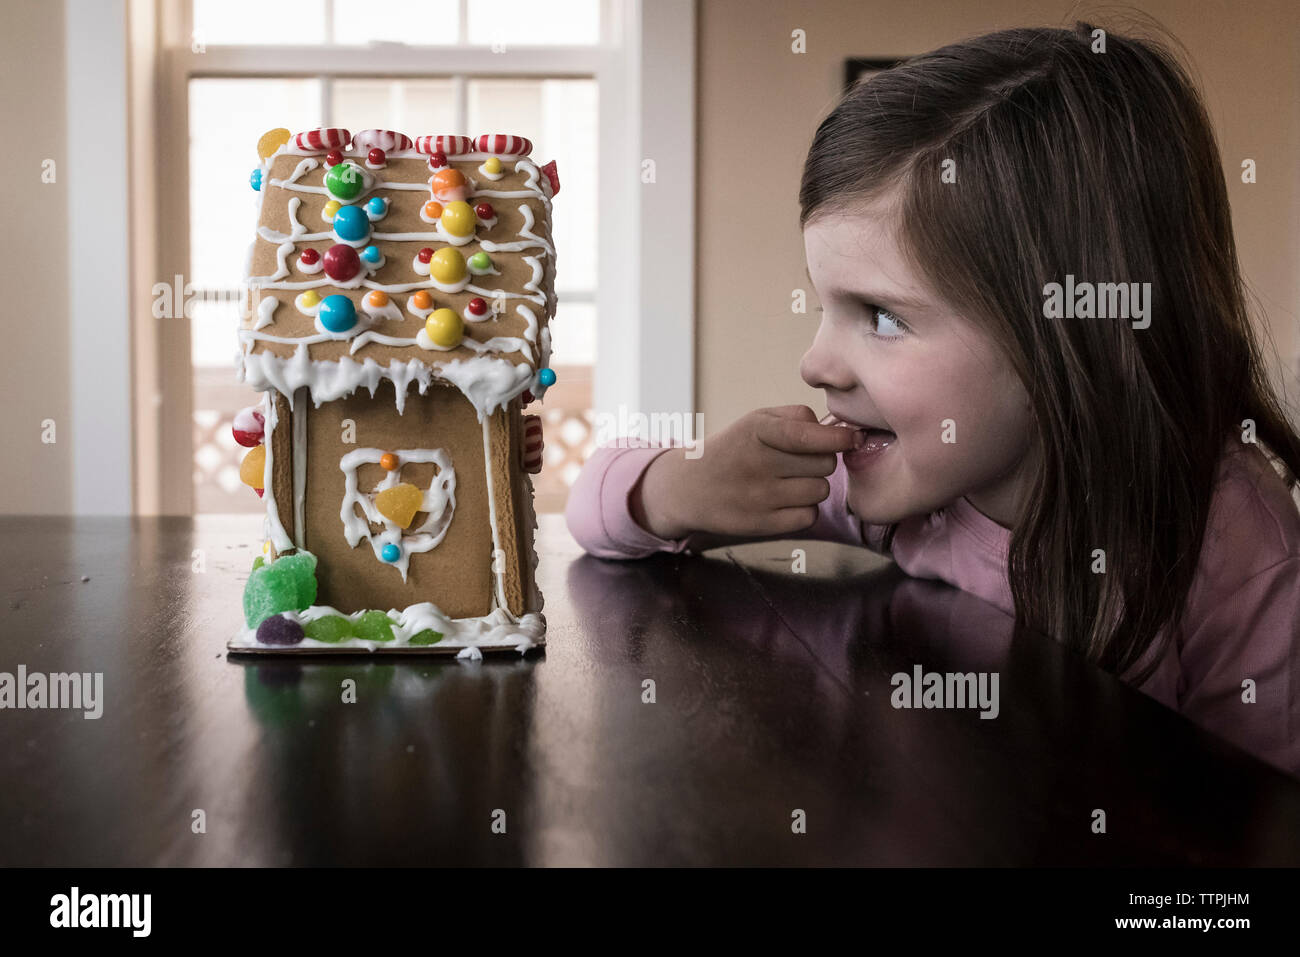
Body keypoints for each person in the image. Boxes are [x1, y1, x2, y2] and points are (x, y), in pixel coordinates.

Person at [565, 21, 1300, 776]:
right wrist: (684, 484)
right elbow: (592, 506)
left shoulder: (1231, 541)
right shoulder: (894, 481)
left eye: (881, 316)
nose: (814, 361)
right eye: (823, 305)